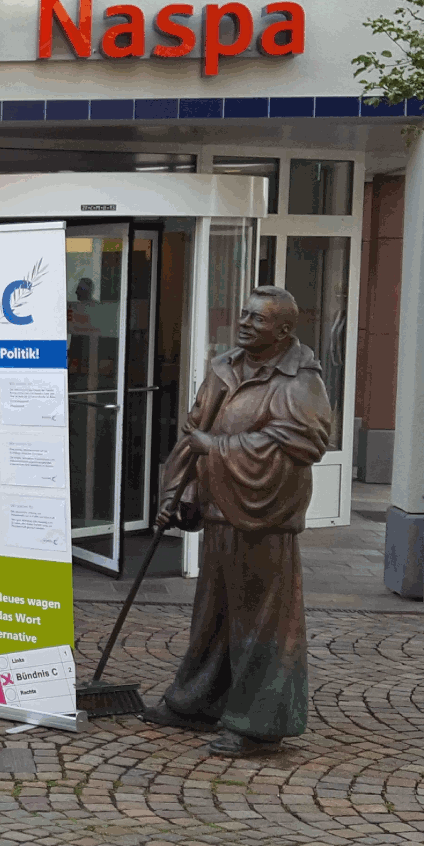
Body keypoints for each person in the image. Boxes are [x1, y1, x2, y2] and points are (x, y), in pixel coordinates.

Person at [141, 287, 337, 758]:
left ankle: (259, 724)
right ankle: (196, 702)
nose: (245, 323)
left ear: (284, 331)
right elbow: (195, 433)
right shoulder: (224, 368)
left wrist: (221, 449)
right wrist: (183, 490)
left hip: (264, 516)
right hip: (219, 510)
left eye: (258, 319)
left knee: (264, 621)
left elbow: (306, 444)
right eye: (245, 314)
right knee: (214, 612)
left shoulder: (299, 380)